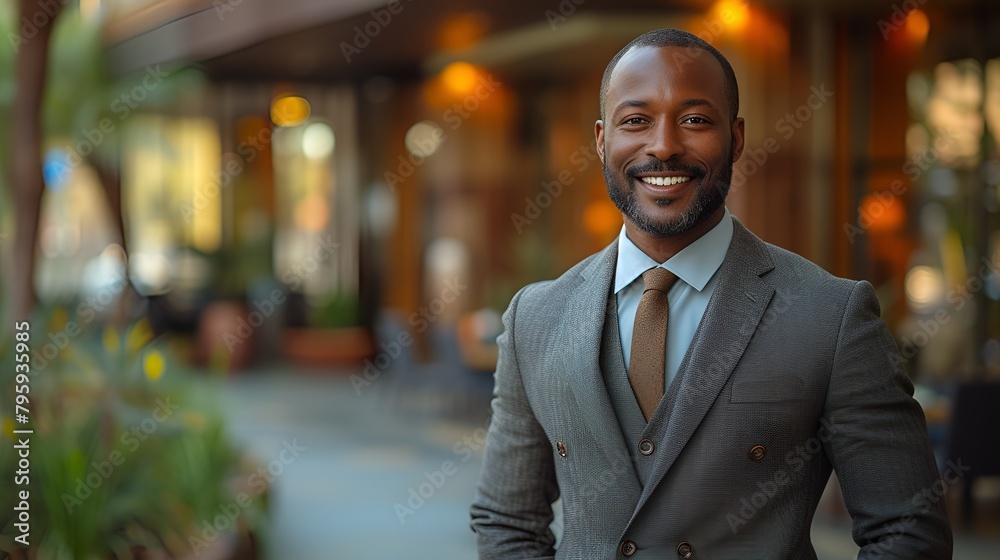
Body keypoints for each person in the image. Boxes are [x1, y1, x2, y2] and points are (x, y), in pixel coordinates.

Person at [469, 28, 952, 559]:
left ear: (737, 138)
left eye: (695, 120)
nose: (664, 146)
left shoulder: (829, 316)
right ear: (603, 140)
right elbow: (506, 522)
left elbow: (908, 532)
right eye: (636, 121)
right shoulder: (535, 318)